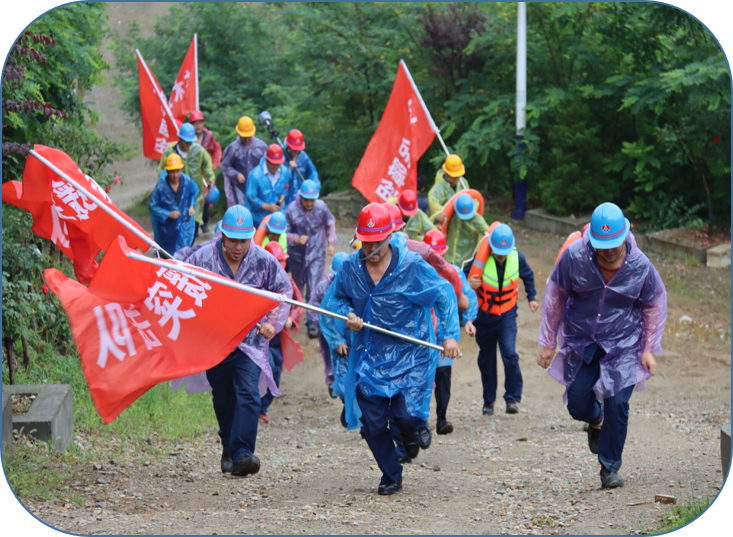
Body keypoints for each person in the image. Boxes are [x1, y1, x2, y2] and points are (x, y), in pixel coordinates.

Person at [325, 203, 461, 495]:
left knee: (408, 416)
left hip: (411, 356)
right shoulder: (350, 267)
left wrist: (449, 335)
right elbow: (334, 301)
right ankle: (391, 474)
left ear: (390, 237)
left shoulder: (411, 266)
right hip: (370, 358)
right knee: (372, 424)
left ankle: (412, 434)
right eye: (366, 241)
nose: (370, 248)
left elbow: (444, 293)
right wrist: (347, 315)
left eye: (376, 241)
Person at [537, 203, 667, 489]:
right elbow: (555, 296)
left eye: (613, 245)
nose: (608, 251)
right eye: (602, 245)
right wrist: (548, 342)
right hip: (583, 340)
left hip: (624, 343)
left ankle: (609, 468)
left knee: (618, 403)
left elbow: (654, 305)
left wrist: (647, 348)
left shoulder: (640, 266)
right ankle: (596, 419)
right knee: (578, 404)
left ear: (625, 235)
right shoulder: (575, 257)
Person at [186, 205, 293, 476]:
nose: (237, 246)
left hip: (251, 341)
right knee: (223, 398)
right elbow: (181, 282)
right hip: (217, 341)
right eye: (232, 240)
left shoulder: (263, 260)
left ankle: (244, 452)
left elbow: (283, 290)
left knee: (247, 392)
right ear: (223, 235)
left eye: (243, 240)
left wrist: (271, 322)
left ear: (251, 237)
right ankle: (228, 445)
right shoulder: (203, 258)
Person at [465, 223, 538, 416]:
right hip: (484, 317)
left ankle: (512, 398)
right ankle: (488, 401)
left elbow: (528, 276)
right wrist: (468, 282)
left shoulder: (517, 257)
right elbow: (460, 279)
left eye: (504, 252)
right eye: (498, 252)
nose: (501, 256)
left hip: (506, 314)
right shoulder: (479, 259)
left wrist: (531, 297)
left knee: (510, 355)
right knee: (487, 360)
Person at [424, 229, 478, 435]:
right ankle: (420, 423)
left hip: (446, 335)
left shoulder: (453, 272)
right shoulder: (417, 271)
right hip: (423, 335)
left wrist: (469, 319)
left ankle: (442, 419)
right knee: (422, 379)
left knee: (444, 377)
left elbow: (468, 297)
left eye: (440, 255)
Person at [285, 179, 336, 339]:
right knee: (297, 289)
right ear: (300, 197)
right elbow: (284, 233)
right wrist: (296, 239)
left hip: (316, 253)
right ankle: (293, 318)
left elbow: (330, 224)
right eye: (306, 200)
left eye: (311, 200)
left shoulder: (321, 207)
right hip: (297, 255)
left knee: (314, 288)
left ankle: (312, 323)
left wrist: (331, 242)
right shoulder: (291, 210)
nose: (308, 203)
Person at [260, 241, 304, 424]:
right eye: (277, 261)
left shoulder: (287, 281)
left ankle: (261, 409)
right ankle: (251, 408)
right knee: (262, 369)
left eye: (282, 262)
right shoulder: (258, 278)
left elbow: (298, 302)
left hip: (277, 338)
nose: (280, 266)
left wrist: (291, 320)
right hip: (259, 337)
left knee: (275, 373)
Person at [158, 122, 216, 238]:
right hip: (176, 195)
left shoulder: (198, 151)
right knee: (178, 225)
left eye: (191, 142)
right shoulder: (170, 152)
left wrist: (210, 178)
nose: (189, 145)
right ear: (180, 139)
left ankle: (188, 250)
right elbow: (162, 171)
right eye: (186, 142)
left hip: (195, 194)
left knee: (193, 224)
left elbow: (207, 164)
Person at [308, 252, 349, 395]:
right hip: (326, 334)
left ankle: (344, 388)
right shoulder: (322, 287)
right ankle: (333, 381)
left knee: (347, 359)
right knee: (330, 357)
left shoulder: (352, 286)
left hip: (347, 333)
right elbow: (312, 308)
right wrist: (323, 328)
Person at [149, 154, 199, 254]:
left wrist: (191, 206)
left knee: (184, 254)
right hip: (167, 230)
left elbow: (193, 193)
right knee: (167, 256)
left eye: (177, 171)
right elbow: (153, 206)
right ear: (167, 171)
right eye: (172, 172)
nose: (175, 175)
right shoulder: (161, 187)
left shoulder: (187, 182)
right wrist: (167, 214)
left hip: (185, 225)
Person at [221, 116, 268, 208]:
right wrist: (236, 174)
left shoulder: (261, 146)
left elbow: (268, 165)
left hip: (258, 188)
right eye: (244, 137)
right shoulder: (232, 148)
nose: (246, 139)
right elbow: (225, 166)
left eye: (248, 136)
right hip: (239, 190)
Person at [245, 144, 292, 228]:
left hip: (277, 217)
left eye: (278, 164)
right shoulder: (255, 175)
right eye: (273, 164)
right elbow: (251, 197)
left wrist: (281, 200)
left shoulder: (284, 172)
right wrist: (268, 207)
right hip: (257, 218)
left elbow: (286, 187)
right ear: (267, 160)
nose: (276, 167)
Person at [441, 192, 490, 267]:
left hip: (466, 262)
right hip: (449, 258)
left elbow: (488, 233)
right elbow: (437, 222)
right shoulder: (452, 214)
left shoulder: (476, 219)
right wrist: (437, 218)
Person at [282, 129, 320, 206]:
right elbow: (278, 181)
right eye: (294, 148)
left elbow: (313, 174)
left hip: (301, 201)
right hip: (284, 201)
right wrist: (289, 170)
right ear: (288, 145)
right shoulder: (281, 156)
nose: (296, 151)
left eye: (298, 148)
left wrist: (314, 189)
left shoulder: (303, 157)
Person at [428, 154, 469, 219]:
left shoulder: (463, 183)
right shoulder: (436, 190)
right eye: (454, 175)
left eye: (458, 174)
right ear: (446, 173)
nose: (457, 177)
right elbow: (435, 208)